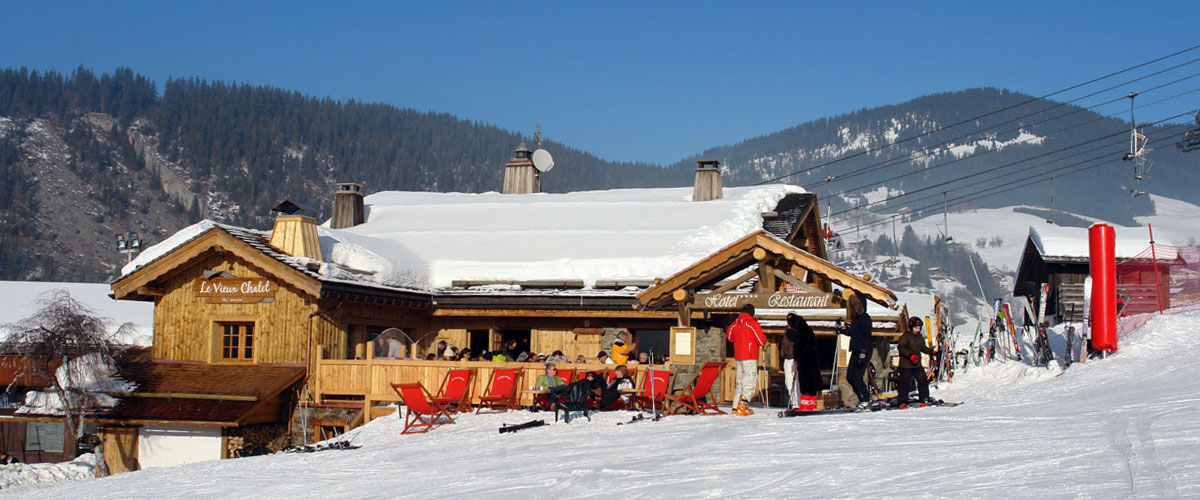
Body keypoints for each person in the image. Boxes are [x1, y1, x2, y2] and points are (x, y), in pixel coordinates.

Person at [727, 303, 765, 416]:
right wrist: (763, 342)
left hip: (738, 355)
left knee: (741, 381)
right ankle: (742, 406)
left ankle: (735, 406)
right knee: (749, 380)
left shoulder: (735, 323)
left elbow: (729, 337)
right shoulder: (752, 323)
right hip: (749, 355)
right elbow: (760, 340)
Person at [838, 290, 874, 410]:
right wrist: (842, 330)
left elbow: (866, 336)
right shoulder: (856, 320)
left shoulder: (864, 318)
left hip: (863, 350)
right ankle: (862, 398)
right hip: (856, 349)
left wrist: (863, 352)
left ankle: (865, 399)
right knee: (850, 377)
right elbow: (854, 333)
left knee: (857, 377)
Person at [897, 316, 936, 407]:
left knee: (922, 381)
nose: (917, 330)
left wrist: (931, 351)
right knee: (905, 383)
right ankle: (902, 401)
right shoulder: (905, 336)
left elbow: (923, 348)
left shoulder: (919, 337)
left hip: (917, 364)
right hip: (906, 365)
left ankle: (924, 398)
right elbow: (901, 348)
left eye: (919, 328)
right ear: (911, 327)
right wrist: (910, 356)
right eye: (915, 328)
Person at [789, 313, 822, 411]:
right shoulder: (807, 330)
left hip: (805, 360)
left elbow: (803, 347)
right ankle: (811, 404)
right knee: (810, 382)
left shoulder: (802, 332)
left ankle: (806, 404)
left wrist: (797, 355)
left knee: (805, 382)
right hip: (810, 359)